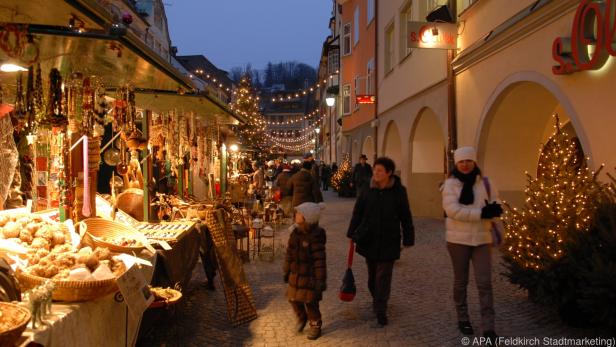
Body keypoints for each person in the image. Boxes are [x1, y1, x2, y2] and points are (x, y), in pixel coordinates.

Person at [442, 146, 502, 341]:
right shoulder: (450, 185)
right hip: (457, 240)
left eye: (468, 161)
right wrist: (481, 214)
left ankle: (489, 327)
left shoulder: (485, 182)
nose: (465, 165)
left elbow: (496, 201)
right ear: (457, 164)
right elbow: (453, 211)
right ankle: (463, 318)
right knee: (461, 282)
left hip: (482, 239)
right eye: (461, 162)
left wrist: (496, 209)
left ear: (474, 162)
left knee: (485, 283)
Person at [346, 157, 414, 326]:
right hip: (369, 238)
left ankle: (380, 309)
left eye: (380, 171)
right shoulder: (367, 190)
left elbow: (405, 216)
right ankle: (378, 299)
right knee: (372, 277)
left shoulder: (398, 191)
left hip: (389, 239)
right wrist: (351, 233)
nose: (376, 173)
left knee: (383, 276)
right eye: (375, 170)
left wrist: (408, 237)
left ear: (389, 173)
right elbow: (357, 213)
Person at [284, 202, 327, 340]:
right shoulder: (295, 233)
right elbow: (289, 253)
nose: (295, 215)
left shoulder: (315, 237)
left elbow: (320, 261)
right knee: (293, 298)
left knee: (310, 302)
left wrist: (320, 280)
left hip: (310, 277)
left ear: (307, 217)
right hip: (295, 274)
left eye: (299, 213)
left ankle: (315, 325)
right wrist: (286, 270)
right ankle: (302, 318)